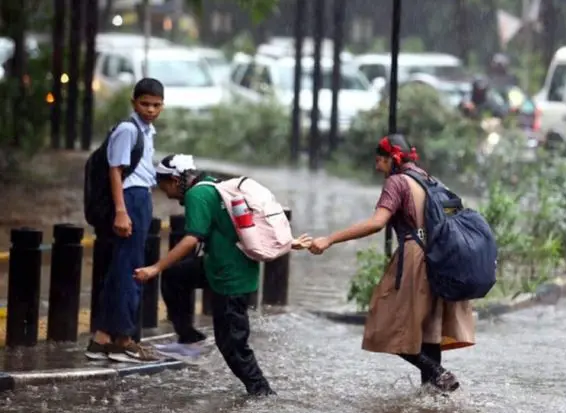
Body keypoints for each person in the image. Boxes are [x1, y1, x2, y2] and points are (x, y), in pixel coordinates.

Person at [308, 134, 475, 393]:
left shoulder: (396, 182)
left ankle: (437, 373)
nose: (377, 168)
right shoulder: (429, 179)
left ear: (392, 159)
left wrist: (329, 239)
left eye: (380, 161)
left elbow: (377, 222)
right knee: (429, 330)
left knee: (385, 324)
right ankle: (433, 398)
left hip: (415, 259)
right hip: (442, 258)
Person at [133, 154, 311, 396]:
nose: (164, 193)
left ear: (175, 180)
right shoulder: (212, 185)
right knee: (176, 277)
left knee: (232, 346)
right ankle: (190, 340)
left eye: (163, 186)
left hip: (230, 279)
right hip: (220, 268)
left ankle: (263, 395)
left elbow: (191, 239)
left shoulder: (197, 195)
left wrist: (155, 267)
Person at [85, 78, 165, 363]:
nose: (150, 109)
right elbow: (115, 171)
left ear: (163, 106)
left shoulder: (147, 132)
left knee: (124, 267)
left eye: (156, 105)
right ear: (134, 103)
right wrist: (121, 210)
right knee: (128, 269)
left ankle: (104, 339)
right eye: (145, 104)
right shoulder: (128, 130)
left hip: (140, 198)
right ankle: (123, 340)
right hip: (130, 199)